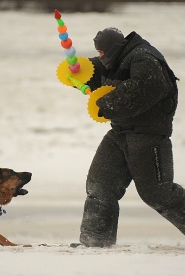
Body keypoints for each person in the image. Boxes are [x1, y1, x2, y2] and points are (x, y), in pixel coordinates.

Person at [74, 27, 183, 247]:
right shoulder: (117, 58)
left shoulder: (145, 59)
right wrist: (80, 70)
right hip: (120, 132)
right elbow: (102, 72)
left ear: (114, 48)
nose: (100, 56)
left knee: (158, 193)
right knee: (100, 186)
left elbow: (141, 90)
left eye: (102, 52)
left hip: (149, 136)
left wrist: (103, 105)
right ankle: (95, 243)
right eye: (98, 52)